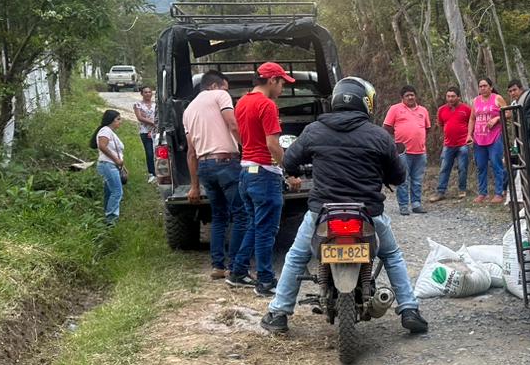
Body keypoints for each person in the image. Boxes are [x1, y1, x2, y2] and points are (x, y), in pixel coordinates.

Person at [261, 77, 428, 336]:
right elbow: (399, 176)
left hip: (322, 211)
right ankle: (409, 309)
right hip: (368, 212)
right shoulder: (379, 136)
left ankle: (278, 313)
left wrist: (298, 169)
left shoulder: (314, 130)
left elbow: (289, 161)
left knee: (296, 256)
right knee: (392, 255)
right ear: (365, 103)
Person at [229, 61, 293, 295]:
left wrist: (248, 148)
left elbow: (237, 131)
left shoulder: (242, 102)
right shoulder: (267, 105)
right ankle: (265, 281)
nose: (282, 89)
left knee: (255, 225)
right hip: (265, 173)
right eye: (282, 83)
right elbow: (272, 144)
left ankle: (238, 271)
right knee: (266, 230)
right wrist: (289, 169)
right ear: (272, 80)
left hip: (246, 171)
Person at [183, 70, 246, 280]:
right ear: (214, 85)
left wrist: (194, 186)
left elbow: (191, 152)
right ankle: (235, 266)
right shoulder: (220, 95)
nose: (228, 93)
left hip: (204, 167)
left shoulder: (188, 110)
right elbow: (233, 124)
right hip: (226, 163)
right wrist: (248, 147)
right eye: (225, 88)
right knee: (241, 215)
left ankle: (218, 266)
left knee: (219, 216)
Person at [383, 86, 430, 215]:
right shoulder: (395, 109)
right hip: (402, 151)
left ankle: (416, 204)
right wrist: (398, 138)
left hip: (420, 151)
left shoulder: (423, 111)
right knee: (403, 179)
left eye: (412, 95)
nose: (410, 97)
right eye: (407, 95)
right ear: (402, 98)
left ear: (415, 96)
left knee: (417, 179)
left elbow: (427, 128)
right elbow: (386, 127)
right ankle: (403, 205)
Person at [469, 77, 506, 203]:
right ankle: (482, 193)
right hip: (479, 138)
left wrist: (497, 118)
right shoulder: (475, 100)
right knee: (481, 166)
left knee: (496, 164)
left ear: (491, 87)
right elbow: (472, 118)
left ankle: (499, 193)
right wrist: (469, 134)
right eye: (480, 86)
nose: (482, 88)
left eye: (485, 86)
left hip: (494, 137)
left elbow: (508, 113)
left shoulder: (497, 98)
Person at [431, 86, 471, 201]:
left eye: (453, 96)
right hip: (448, 144)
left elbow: (471, 123)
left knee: (462, 168)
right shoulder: (441, 110)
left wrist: (469, 136)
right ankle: (440, 192)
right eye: (448, 96)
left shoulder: (466, 109)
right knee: (444, 168)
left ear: (458, 97)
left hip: (463, 144)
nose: (450, 99)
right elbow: (441, 124)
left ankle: (462, 190)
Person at [94, 109, 126, 226]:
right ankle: (111, 219)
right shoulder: (105, 131)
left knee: (110, 191)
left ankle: (108, 214)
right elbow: (102, 146)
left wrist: (121, 165)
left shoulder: (110, 132)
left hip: (112, 165)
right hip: (108, 165)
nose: (120, 121)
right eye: (118, 119)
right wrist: (116, 160)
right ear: (111, 120)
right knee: (117, 192)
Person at [133, 85, 157, 181]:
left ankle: (159, 171)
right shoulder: (138, 105)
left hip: (156, 131)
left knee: (157, 152)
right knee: (149, 152)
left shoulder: (155, 104)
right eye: (145, 92)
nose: (148, 94)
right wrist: (153, 123)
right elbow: (140, 117)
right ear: (142, 94)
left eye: (149, 92)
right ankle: (151, 173)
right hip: (145, 131)